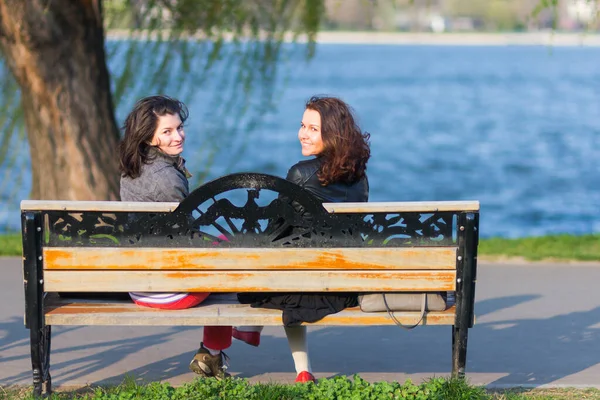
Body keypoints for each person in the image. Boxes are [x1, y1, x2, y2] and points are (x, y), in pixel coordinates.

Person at [118, 95, 260, 380]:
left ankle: (221, 346)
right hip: (168, 290)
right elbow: (188, 238)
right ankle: (236, 334)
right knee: (234, 255)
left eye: (179, 128)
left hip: (139, 283)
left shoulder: (132, 170)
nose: (178, 136)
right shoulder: (167, 179)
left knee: (224, 248)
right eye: (167, 132)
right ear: (149, 138)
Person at [240, 95, 371, 383]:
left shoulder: (300, 174)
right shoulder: (360, 179)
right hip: (342, 284)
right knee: (293, 276)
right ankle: (296, 367)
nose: (303, 133)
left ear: (333, 134)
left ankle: (278, 350)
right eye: (302, 125)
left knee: (279, 273)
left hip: (305, 282)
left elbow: (276, 230)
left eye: (313, 128)